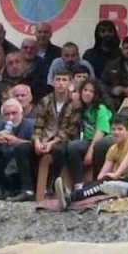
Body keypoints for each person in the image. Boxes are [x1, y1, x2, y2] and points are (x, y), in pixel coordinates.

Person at [11, 69, 81, 201]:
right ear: (53, 82)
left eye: (64, 80)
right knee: (21, 149)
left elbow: (71, 130)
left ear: (70, 83)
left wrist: (51, 143)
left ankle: (52, 186)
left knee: (58, 150)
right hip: (44, 138)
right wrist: (37, 140)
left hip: (62, 140)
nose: (61, 83)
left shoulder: (75, 103)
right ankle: (28, 189)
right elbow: (39, 125)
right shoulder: (45, 100)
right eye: (58, 80)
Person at [52, 119, 128, 205]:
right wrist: (97, 182)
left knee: (105, 181)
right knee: (97, 183)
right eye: (113, 129)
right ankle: (71, 193)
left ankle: (72, 197)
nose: (116, 132)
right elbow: (102, 174)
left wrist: (116, 174)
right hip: (123, 180)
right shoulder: (113, 149)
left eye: (120, 129)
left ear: (127, 130)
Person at [65, 78, 113, 186]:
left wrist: (90, 152)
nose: (87, 93)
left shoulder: (101, 108)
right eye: (85, 90)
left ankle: (98, 183)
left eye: (91, 91)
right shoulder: (83, 108)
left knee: (100, 146)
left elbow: (100, 132)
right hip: (88, 140)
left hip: (103, 141)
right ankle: (78, 184)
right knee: (73, 146)